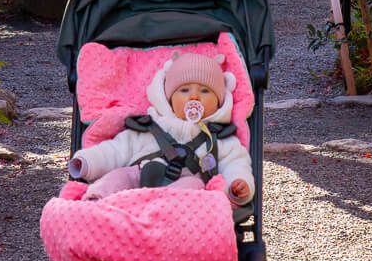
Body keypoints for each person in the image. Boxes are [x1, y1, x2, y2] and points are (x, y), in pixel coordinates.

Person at [66, 51, 255, 204]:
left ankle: (161, 209)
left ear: (220, 100)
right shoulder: (149, 127)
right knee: (119, 175)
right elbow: (115, 150)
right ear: (169, 97)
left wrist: (237, 185)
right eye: (184, 90)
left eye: (205, 91)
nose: (194, 97)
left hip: (178, 203)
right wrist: (87, 161)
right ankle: (96, 203)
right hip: (136, 184)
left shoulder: (219, 138)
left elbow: (236, 164)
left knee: (194, 185)